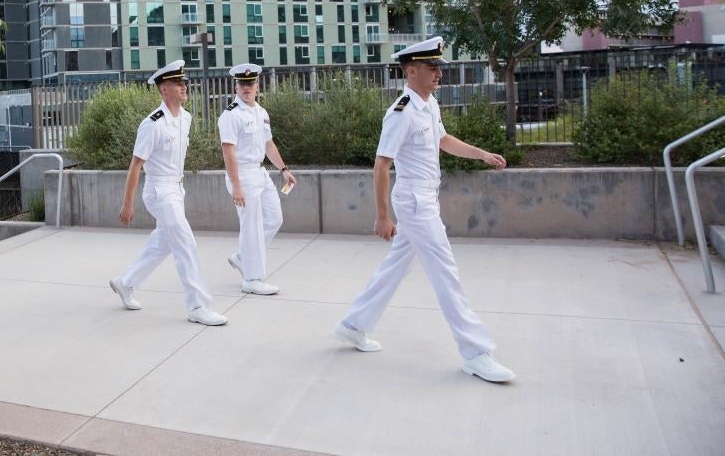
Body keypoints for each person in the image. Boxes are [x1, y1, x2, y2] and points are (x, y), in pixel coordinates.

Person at [332, 36, 516, 383]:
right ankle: (475, 352)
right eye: (432, 68)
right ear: (411, 70)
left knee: (393, 269)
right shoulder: (401, 111)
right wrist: (382, 215)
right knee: (447, 273)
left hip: (426, 198)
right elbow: (382, 164)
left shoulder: (428, 105)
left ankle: (353, 325)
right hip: (415, 203)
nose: (439, 74)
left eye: (439, 68)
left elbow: (442, 140)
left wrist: (481, 154)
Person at [109, 60, 228, 326]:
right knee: (185, 242)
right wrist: (127, 203)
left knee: (162, 242)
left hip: (176, 188)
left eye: (184, 82)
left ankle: (126, 282)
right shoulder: (152, 124)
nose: (184, 86)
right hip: (159, 190)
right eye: (177, 83)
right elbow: (136, 164)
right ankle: (198, 306)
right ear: (164, 90)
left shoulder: (185, 118)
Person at [218, 63, 297, 295]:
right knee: (251, 227)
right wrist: (236, 185)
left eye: (250, 83)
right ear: (236, 85)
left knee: (274, 219)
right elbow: (228, 152)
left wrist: (284, 169)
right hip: (242, 174)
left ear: (257, 85)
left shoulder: (261, 112)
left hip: (260, 173)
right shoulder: (231, 115)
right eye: (242, 83)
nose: (246, 87)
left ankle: (244, 257)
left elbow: (268, 144)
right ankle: (253, 279)